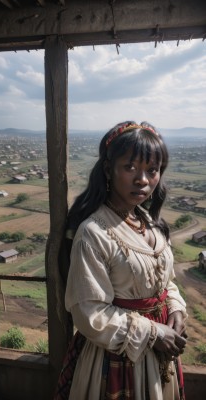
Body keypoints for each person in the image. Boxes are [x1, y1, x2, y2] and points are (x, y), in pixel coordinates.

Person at [55, 121, 187, 400]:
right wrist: (153, 332)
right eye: (130, 167)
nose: (142, 179)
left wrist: (174, 308)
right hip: (117, 358)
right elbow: (89, 313)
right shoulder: (94, 232)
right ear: (108, 170)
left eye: (152, 170)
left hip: (160, 353)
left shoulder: (149, 222)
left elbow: (166, 282)